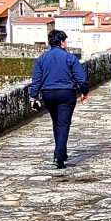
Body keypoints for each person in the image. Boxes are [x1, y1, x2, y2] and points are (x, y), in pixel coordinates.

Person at [29, 29, 89, 169]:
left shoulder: (42, 58)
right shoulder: (70, 58)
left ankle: (61, 151)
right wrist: (84, 92)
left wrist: (33, 96)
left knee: (56, 123)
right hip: (66, 93)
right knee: (63, 124)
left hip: (48, 93)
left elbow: (36, 80)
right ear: (62, 42)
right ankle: (59, 157)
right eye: (65, 41)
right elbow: (81, 78)